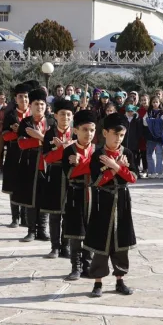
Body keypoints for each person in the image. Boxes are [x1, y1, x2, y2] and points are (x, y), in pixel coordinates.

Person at [83, 112, 137, 298]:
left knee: (120, 242)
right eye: (115, 134)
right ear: (105, 133)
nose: (118, 139)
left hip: (122, 201)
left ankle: (120, 279)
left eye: (122, 135)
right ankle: (97, 282)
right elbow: (97, 181)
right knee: (101, 242)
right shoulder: (98, 155)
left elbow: (133, 177)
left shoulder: (127, 153)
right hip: (102, 201)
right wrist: (115, 169)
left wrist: (117, 167)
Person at [14, 88, 53, 242]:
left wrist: (39, 137)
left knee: (44, 199)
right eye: (36, 104)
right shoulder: (26, 122)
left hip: (47, 164)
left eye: (42, 104)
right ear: (31, 106)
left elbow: (54, 144)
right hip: (30, 164)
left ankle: (42, 230)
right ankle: (31, 230)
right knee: (31, 199)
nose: (40, 107)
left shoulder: (51, 122)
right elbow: (22, 143)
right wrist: (40, 140)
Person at [63, 109, 97, 282]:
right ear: (75, 130)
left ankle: (88, 264)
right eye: (84, 130)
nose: (88, 134)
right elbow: (68, 174)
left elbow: (97, 172)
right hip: (75, 194)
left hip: (93, 194)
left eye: (92, 130)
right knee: (76, 232)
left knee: (91, 231)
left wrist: (81, 163)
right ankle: (75, 267)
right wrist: (82, 166)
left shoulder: (97, 150)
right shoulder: (69, 150)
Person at [40, 99, 75, 259]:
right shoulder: (49, 133)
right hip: (54, 175)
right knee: (55, 213)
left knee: (69, 214)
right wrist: (62, 149)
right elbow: (47, 157)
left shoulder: (76, 133)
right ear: (55, 115)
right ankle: (55, 246)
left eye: (68, 114)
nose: (65, 117)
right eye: (62, 114)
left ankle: (65, 246)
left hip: (71, 176)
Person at [2, 84, 30, 228]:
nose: (23, 99)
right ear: (15, 99)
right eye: (20, 97)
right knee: (13, 185)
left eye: (26, 96)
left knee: (26, 185)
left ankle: (26, 218)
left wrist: (20, 131)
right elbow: (5, 136)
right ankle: (15, 217)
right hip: (14, 153)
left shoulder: (33, 116)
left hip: (29, 153)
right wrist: (20, 133)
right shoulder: (11, 115)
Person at [143, 96, 163, 177]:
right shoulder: (149, 112)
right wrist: (155, 121)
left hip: (159, 136)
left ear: (159, 103)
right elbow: (145, 122)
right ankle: (151, 172)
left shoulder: (162, 113)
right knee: (149, 154)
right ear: (151, 103)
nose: (155, 104)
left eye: (156, 102)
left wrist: (151, 121)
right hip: (150, 136)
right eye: (153, 102)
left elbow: (162, 123)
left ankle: (159, 172)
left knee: (159, 154)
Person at [121, 104, 144, 176]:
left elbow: (140, 131)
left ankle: (135, 172)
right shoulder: (123, 119)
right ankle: (125, 172)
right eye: (128, 111)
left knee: (134, 158)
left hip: (134, 143)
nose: (130, 113)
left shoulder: (138, 119)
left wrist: (137, 140)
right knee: (124, 158)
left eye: (131, 111)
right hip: (124, 143)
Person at [136, 94, 151, 177]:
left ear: (148, 100)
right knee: (140, 153)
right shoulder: (138, 110)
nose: (143, 101)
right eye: (142, 100)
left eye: (145, 100)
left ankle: (146, 169)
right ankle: (138, 169)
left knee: (146, 153)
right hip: (140, 135)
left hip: (148, 135)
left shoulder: (151, 110)